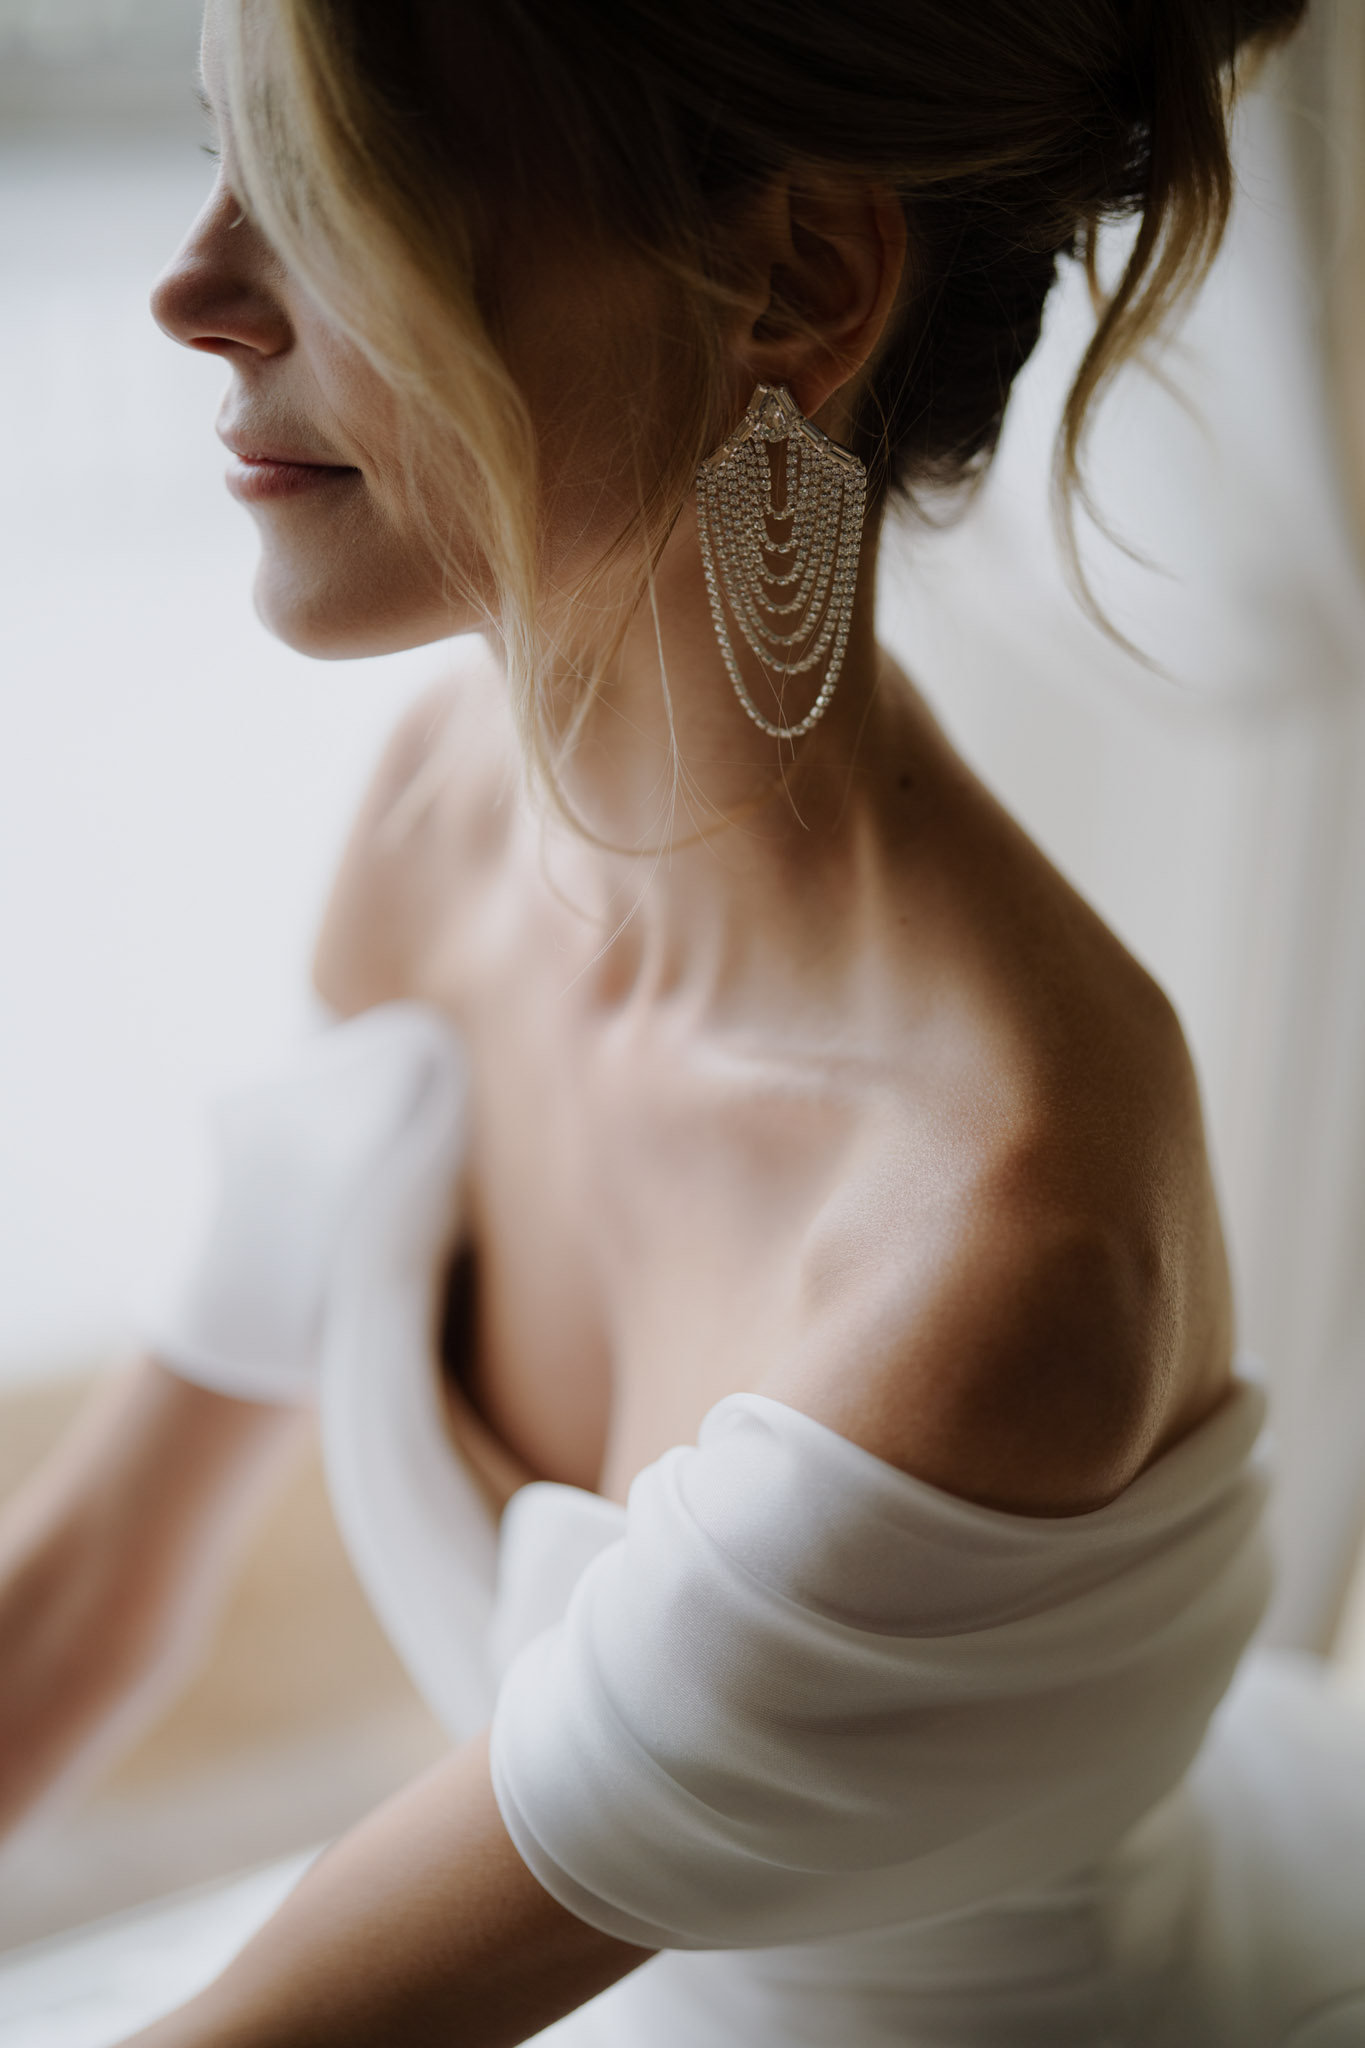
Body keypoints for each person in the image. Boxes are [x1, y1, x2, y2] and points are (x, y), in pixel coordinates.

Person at [4, 0, 1365, 2042]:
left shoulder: (995, 1233)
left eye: (336, 194)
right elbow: (88, 1596)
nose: (192, 292)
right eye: (221, 154)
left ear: (794, 283)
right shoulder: (438, 823)